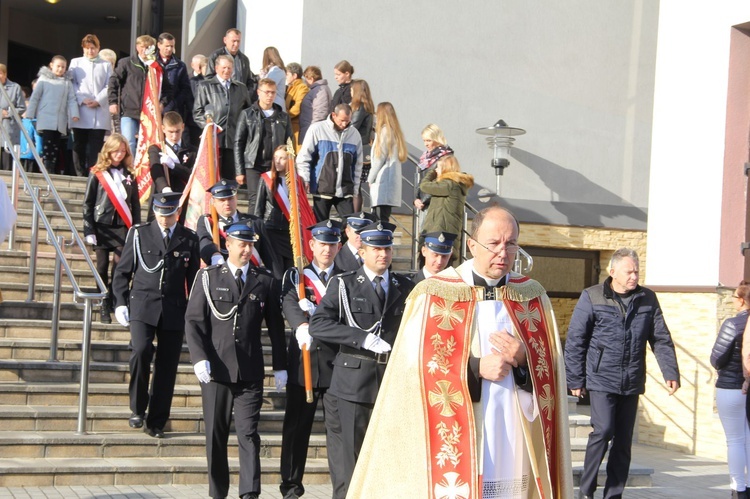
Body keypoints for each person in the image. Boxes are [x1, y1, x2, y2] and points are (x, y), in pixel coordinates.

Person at [347, 206, 574, 498]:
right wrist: (475, 368)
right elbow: (411, 368)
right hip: (464, 433)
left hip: (516, 432)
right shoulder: (434, 294)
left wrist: (523, 359)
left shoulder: (532, 296)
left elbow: (551, 372)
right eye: (493, 244)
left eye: (511, 244)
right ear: (471, 245)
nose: (503, 253)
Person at [309, 221, 415, 498]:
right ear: (363, 251)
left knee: (388, 455)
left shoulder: (405, 286)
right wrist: (361, 338)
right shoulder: (344, 284)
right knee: (351, 459)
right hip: (354, 382)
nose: (383, 254)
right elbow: (318, 325)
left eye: (388, 248)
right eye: (377, 249)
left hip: (391, 381)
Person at [565, 247, 680, 499]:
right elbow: (576, 340)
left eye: (637, 271)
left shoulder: (647, 299)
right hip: (601, 378)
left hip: (632, 380)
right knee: (603, 430)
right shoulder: (592, 296)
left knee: (623, 442)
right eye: (629, 271)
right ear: (613, 271)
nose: (634, 276)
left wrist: (670, 371)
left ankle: (613, 494)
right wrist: (575, 379)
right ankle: (586, 491)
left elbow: (660, 338)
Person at [185, 220, 287, 499]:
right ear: (227, 244)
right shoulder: (208, 277)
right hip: (216, 369)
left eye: (250, 245)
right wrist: (198, 358)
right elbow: (194, 321)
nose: (246, 250)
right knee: (216, 436)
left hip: (250, 370)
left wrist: (280, 366)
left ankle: (250, 492)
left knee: (248, 433)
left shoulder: (264, 279)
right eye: (242, 244)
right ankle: (218, 492)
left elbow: (276, 328)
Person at [111, 192, 199, 438]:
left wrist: (196, 312)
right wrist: (119, 302)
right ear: (155, 212)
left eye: (169, 214)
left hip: (173, 309)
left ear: (177, 214)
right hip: (142, 305)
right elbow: (122, 272)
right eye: (161, 213)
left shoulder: (188, 238)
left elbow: (193, 281)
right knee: (140, 350)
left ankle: (157, 421)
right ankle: (138, 408)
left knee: (167, 366)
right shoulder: (140, 234)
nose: (164, 219)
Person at [279, 219, 343, 499]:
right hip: (303, 361)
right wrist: (300, 324)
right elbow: (288, 302)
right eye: (321, 244)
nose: (326, 249)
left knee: (338, 434)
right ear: (312, 245)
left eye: (332, 244)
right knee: (296, 428)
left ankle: (343, 488)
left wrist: (316, 314)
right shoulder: (296, 276)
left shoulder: (347, 277)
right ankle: (291, 487)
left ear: (339, 246)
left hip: (335, 364)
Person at [82, 133, 141, 323]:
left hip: (122, 227)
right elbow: (88, 203)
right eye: (116, 151)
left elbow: (135, 204)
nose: (119, 154)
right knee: (101, 266)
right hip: (102, 226)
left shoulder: (130, 174)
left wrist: (137, 228)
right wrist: (89, 229)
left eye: (123, 151)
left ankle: (118, 300)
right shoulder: (97, 172)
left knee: (119, 267)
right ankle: (103, 302)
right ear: (109, 150)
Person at [196, 179, 281, 279]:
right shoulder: (208, 222)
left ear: (236, 198)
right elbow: (204, 241)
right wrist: (215, 256)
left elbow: (269, 257)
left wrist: (278, 283)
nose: (227, 203)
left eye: (230, 198)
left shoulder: (255, 222)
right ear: (213, 202)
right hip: (222, 278)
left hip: (251, 278)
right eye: (222, 200)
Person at [711, 281, 750, 499]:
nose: (733, 300)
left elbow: (717, 357)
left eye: (734, 297)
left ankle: (738, 488)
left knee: (735, 439)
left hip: (732, 386)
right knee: (748, 437)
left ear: (742, 300)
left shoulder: (733, 324)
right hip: (746, 387)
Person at [296, 103, 363, 222]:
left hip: (345, 190)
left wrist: (355, 189)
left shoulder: (354, 134)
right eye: (342, 120)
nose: (344, 124)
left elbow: (357, 165)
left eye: (347, 121)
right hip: (322, 188)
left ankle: (339, 241)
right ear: (333, 115)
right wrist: (305, 179)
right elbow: (304, 157)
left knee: (351, 225)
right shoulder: (317, 129)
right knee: (320, 227)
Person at [234, 78, 293, 210]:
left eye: (273, 92)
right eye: (267, 92)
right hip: (253, 164)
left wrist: (289, 166)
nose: (270, 96)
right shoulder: (247, 114)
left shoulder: (283, 117)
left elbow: (290, 143)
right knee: (255, 200)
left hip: (275, 165)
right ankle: (253, 229)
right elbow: (239, 143)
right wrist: (239, 171)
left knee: (275, 200)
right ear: (258, 92)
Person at [108, 35, 172, 156]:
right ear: (137, 47)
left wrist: (162, 103)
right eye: (142, 47)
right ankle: (130, 171)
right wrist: (112, 102)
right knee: (129, 142)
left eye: (148, 47)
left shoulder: (156, 67)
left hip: (149, 113)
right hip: (129, 111)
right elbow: (113, 82)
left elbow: (168, 89)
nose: (144, 50)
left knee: (149, 144)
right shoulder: (126, 63)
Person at [193, 54, 252, 181]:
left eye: (229, 68)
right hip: (214, 139)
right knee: (213, 176)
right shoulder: (205, 86)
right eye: (224, 68)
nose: (226, 71)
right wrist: (209, 128)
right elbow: (197, 112)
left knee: (229, 178)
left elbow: (248, 112)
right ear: (216, 68)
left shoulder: (241, 87)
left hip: (234, 139)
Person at [26, 55, 80, 174]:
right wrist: (30, 112)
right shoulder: (43, 79)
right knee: (48, 142)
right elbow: (35, 97)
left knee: (56, 144)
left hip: (59, 118)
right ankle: (47, 166)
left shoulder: (67, 82)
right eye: (58, 66)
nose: (60, 69)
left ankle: (51, 166)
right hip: (46, 116)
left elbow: (71, 99)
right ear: (51, 65)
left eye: (63, 67)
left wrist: (74, 114)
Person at [69, 34, 111, 177]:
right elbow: (72, 83)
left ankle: (94, 174)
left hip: (99, 112)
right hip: (81, 109)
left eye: (93, 48)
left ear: (98, 48)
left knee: (96, 146)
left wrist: (98, 100)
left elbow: (109, 85)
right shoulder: (76, 63)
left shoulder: (105, 65)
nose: (90, 51)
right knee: (79, 144)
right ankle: (79, 173)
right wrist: (82, 99)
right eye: (87, 49)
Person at [419, 154, 474, 261]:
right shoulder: (455, 185)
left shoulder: (449, 184)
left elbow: (424, 186)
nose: (436, 170)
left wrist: (431, 173)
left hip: (439, 236)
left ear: (445, 169)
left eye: (438, 167)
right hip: (445, 233)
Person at [254, 146, 300, 271]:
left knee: (290, 270)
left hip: (290, 232)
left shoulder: (297, 181)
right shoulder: (266, 178)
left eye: (282, 158)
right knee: (277, 271)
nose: (277, 161)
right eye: (275, 158)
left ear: (290, 160)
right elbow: (258, 208)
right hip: (271, 230)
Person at [147, 111, 196, 223]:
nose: (174, 136)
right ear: (163, 128)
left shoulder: (192, 151)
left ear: (183, 127)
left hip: (183, 201)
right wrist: (165, 189)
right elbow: (156, 172)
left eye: (178, 131)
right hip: (162, 200)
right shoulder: (156, 149)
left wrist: (174, 166)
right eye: (170, 132)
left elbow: (192, 175)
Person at [367, 102, 407, 223]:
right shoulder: (394, 132)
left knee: (379, 220)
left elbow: (379, 158)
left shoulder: (385, 132)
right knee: (383, 218)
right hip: (389, 182)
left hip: (382, 182)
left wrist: (370, 178)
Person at [414, 124, 454, 221]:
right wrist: (416, 199)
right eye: (424, 140)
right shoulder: (426, 157)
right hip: (423, 203)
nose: (426, 144)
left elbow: (440, 182)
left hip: (435, 203)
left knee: (429, 233)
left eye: (429, 140)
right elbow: (419, 178)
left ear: (437, 139)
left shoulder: (446, 157)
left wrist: (422, 201)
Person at [155, 33, 193, 132]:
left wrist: (173, 104)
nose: (169, 49)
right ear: (159, 45)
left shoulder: (180, 66)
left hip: (173, 110)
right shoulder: (151, 63)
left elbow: (185, 89)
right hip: (153, 109)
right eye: (167, 46)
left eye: (172, 46)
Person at [206, 28, 257, 94]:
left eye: (238, 41)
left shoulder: (244, 59)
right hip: (221, 97)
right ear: (225, 40)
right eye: (233, 41)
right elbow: (209, 78)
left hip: (240, 99)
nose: (236, 44)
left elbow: (249, 80)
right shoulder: (215, 56)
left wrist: (248, 95)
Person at [349, 79, 374, 212]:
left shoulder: (359, 108)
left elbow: (352, 127)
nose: (350, 92)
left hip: (357, 149)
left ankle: (355, 215)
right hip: (363, 148)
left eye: (352, 90)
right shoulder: (368, 106)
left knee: (355, 186)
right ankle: (356, 214)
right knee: (356, 186)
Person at [0, 63, 26, 171]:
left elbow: (22, 108)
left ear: (5, 74)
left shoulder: (15, 87)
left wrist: (9, 113)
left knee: (6, 161)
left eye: (0, 73)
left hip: (8, 128)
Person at [298, 66, 331, 145]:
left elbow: (320, 113)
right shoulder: (317, 89)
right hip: (310, 130)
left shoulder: (320, 90)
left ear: (311, 78)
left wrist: (313, 132)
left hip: (313, 133)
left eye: (306, 78)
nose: (305, 81)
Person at [284, 63, 309, 152]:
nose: (285, 77)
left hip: (296, 127)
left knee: (296, 155)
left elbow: (298, 106)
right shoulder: (291, 87)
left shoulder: (302, 87)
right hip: (291, 126)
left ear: (294, 75)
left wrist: (286, 116)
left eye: (287, 74)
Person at [258, 47, 286, 111]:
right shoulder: (273, 70)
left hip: (275, 104)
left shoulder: (276, 70)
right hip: (272, 103)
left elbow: (268, 85)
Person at [188, 54, 207, 146]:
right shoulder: (189, 80)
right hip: (192, 120)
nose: (200, 68)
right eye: (199, 65)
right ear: (192, 65)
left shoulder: (208, 81)